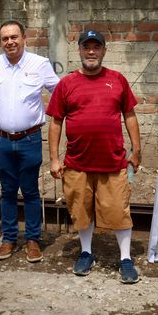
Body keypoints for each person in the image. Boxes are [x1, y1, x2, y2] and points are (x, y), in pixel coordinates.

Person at [46, 30, 142, 283]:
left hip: (112, 161)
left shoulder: (117, 79)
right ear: (79, 50)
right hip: (77, 162)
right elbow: (56, 121)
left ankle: (125, 258)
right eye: (86, 47)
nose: (91, 51)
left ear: (103, 50)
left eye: (96, 47)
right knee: (81, 210)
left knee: (119, 210)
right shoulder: (66, 84)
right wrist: (54, 158)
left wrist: (137, 150)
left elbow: (130, 115)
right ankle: (86, 252)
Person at [0, 20, 59, 263]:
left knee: (30, 191)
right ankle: (9, 239)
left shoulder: (39, 64)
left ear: (24, 38)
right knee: (7, 191)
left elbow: (60, 91)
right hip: (2, 142)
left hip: (29, 139)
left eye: (14, 37)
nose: (9, 42)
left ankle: (33, 240)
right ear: (1, 42)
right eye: (4, 38)